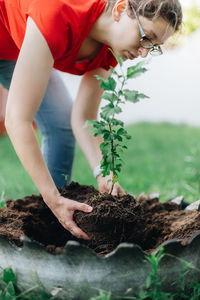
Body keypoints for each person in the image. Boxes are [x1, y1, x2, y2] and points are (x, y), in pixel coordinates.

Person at [0, 0, 182, 240]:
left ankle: (55, 222)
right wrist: (51, 197)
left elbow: (84, 117)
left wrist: (103, 171)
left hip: (24, 40)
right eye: (147, 37)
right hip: (7, 37)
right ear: (120, 10)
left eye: (154, 46)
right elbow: (17, 120)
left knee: (61, 125)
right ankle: (53, 207)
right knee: (49, 123)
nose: (144, 52)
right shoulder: (58, 14)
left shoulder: (111, 48)